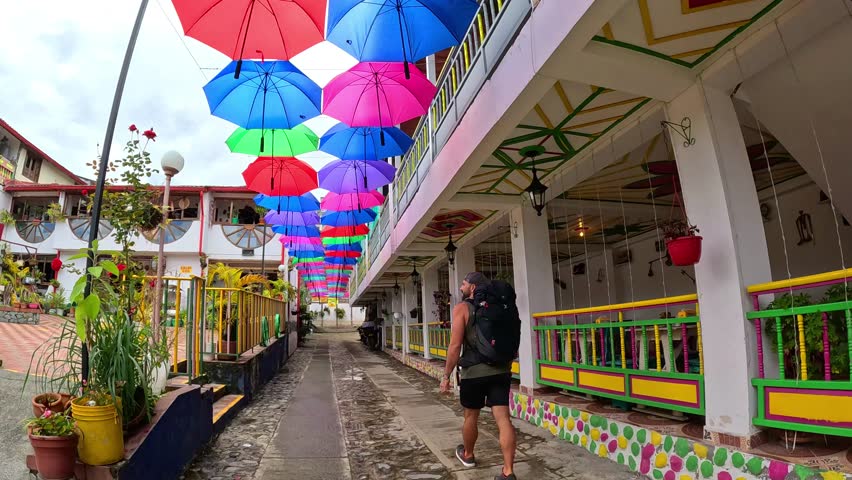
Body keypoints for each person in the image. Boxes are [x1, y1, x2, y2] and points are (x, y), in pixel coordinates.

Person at [440, 272, 517, 480]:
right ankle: (508, 472)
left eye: (464, 284)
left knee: (470, 416)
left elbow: (455, 346)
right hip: (501, 370)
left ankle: (468, 454)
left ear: (473, 287)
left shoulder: (462, 308)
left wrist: (446, 375)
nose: (461, 288)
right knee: (503, 419)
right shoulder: (500, 306)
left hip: (473, 373)